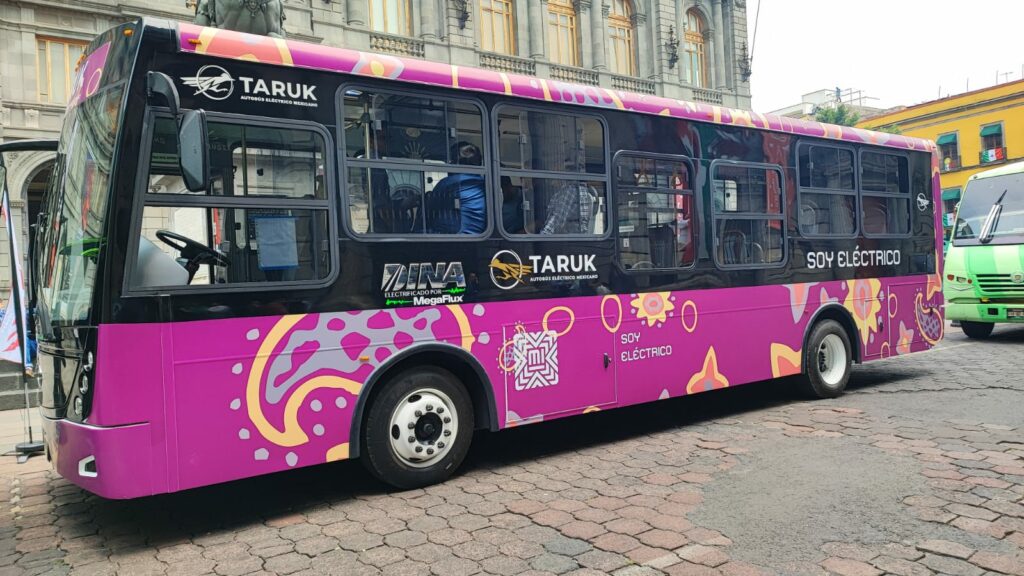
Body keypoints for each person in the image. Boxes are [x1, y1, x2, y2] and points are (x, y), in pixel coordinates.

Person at [429, 143, 486, 234]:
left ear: (455, 162)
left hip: (455, 238)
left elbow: (430, 209)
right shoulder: (483, 184)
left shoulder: (448, 183)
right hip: (477, 237)